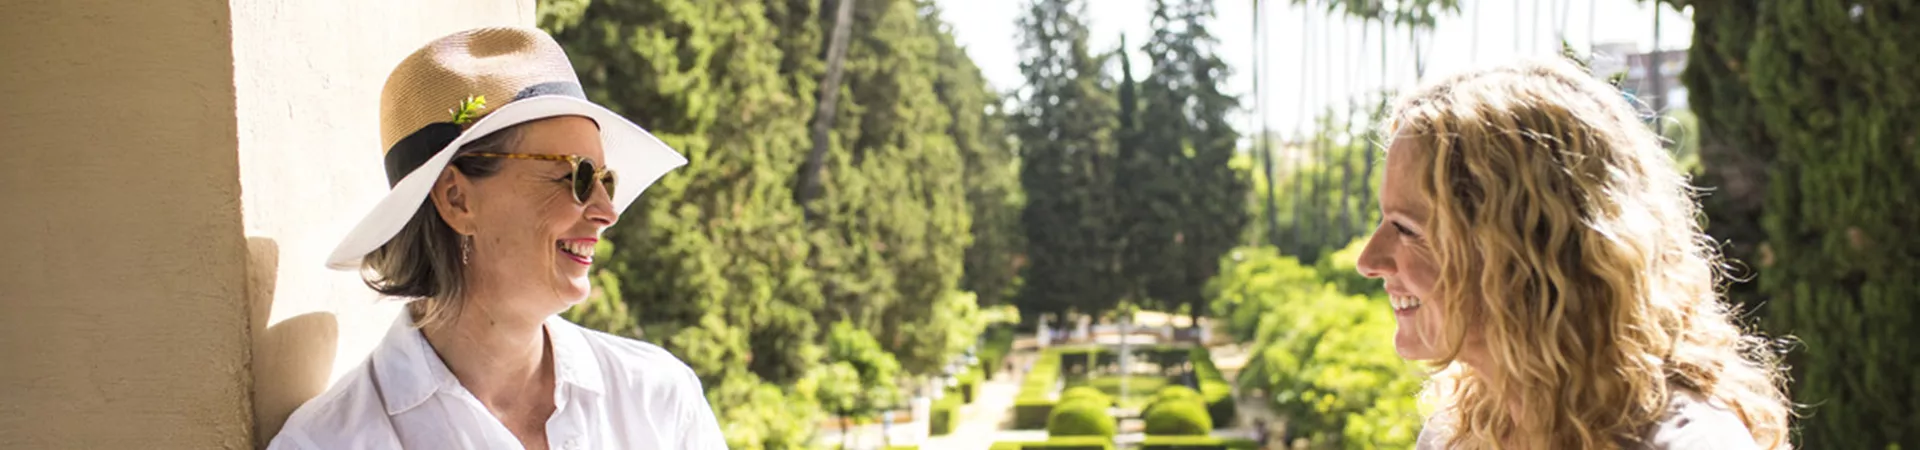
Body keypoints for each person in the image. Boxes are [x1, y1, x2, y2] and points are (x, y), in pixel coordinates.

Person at [269, 27, 724, 449]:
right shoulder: (329, 441)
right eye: (576, 176)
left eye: (607, 179)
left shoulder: (658, 399)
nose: (607, 212)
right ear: (457, 199)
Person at [1356, 59, 1792, 449]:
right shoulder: (1456, 432)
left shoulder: (1687, 441)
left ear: (1525, 249)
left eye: (1406, 228)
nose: (1369, 260)